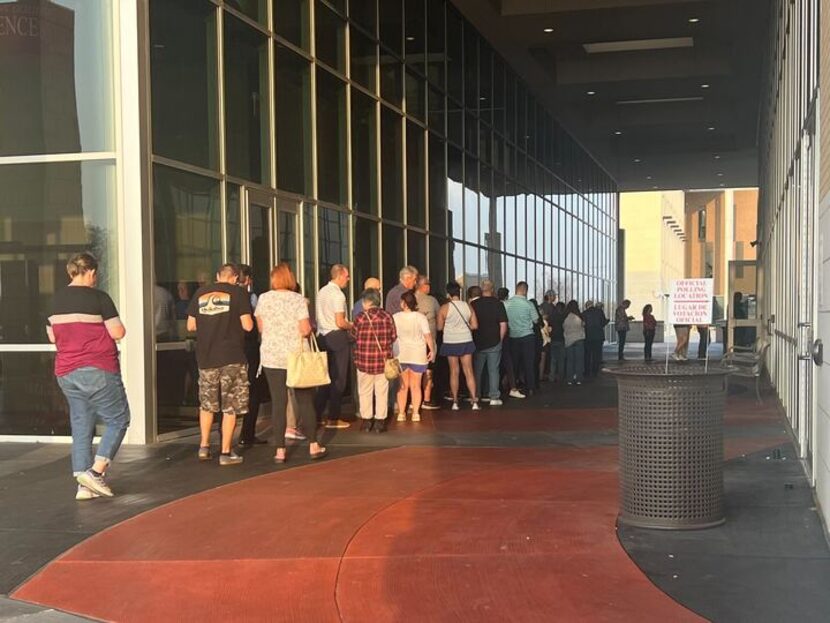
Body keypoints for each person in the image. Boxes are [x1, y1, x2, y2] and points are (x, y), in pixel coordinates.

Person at [48, 252, 131, 500]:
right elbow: (118, 332)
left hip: (66, 372)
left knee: (82, 425)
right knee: (119, 419)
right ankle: (96, 472)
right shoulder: (99, 298)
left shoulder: (54, 301)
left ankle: (83, 486)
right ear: (91, 272)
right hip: (98, 368)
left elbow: (53, 337)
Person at [255, 263, 326, 463]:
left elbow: (261, 327)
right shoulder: (297, 300)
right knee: (304, 400)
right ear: (290, 279)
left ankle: (280, 450)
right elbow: (304, 329)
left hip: (271, 356)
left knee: (278, 403)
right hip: (296, 356)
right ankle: (313, 445)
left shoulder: (263, 298)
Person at [187, 263, 253, 466]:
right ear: (234, 278)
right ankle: (225, 452)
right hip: (231, 356)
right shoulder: (239, 293)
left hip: (206, 357)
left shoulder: (201, 292)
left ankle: (204, 447)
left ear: (217, 276)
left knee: (207, 405)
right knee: (230, 406)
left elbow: (190, 326)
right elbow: (248, 326)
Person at [350, 288, 396, 432]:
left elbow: (353, 336)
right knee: (381, 391)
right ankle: (380, 422)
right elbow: (393, 336)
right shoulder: (387, 316)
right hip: (382, 361)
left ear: (366, 302)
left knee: (364, 391)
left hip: (364, 361)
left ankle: (366, 420)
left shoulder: (360, 318)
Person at [314, 264, 353, 429]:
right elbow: (340, 321)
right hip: (337, 336)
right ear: (339, 276)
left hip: (322, 336)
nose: (349, 279)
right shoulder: (338, 295)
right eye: (347, 276)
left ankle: (317, 415)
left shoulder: (322, 291)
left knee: (325, 377)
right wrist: (352, 325)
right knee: (339, 378)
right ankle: (333, 417)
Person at [238, 264, 269, 448]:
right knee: (253, 391)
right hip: (249, 348)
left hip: (229, 349)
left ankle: (224, 437)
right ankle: (247, 434)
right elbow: (256, 324)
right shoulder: (250, 297)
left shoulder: (224, 298)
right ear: (248, 280)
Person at [394, 290, 435, 422]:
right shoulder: (420, 317)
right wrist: (432, 350)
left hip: (401, 354)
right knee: (416, 386)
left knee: (402, 385)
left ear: (403, 303)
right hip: (418, 354)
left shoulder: (395, 317)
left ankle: (401, 413)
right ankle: (416, 413)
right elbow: (427, 335)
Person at [437, 282, 479, 411]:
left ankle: (455, 402)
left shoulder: (444, 308)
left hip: (451, 341)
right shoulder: (468, 306)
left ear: (448, 294)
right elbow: (475, 326)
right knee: (469, 372)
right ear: (459, 292)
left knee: (454, 372)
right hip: (466, 340)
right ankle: (474, 401)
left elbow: (439, 327)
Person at [471, 280, 509, 406]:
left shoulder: (474, 304)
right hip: (494, 341)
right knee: (493, 370)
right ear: (492, 289)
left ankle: (476, 395)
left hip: (478, 342)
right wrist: (500, 339)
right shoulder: (498, 304)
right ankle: (493, 396)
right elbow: (503, 324)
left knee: (477, 370)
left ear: (482, 289)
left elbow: (471, 324)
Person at [504, 282, 539, 397]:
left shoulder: (507, 304)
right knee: (529, 363)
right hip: (528, 336)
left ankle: (513, 386)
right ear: (525, 291)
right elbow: (536, 320)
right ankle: (531, 388)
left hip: (513, 336)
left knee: (514, 363)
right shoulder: (529, 304)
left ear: (516, 289)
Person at [415, 275, 441, 410]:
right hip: (427, 341)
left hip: (414, 342)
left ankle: (414, 400)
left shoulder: (411, 299)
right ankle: (426, 398)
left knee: (415, 371)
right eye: (427, 284)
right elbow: (439, 318)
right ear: (421, 285)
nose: (429, 286)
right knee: (428, 371)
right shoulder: (431, 301)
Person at [583, 300, 609, 378]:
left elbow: (583, 325)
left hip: (588, 337)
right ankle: (595, 371)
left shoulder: (584, 313)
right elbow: (603, 323)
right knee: (596, 355)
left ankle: (587, 371)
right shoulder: (599, 312)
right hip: (598, 337)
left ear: (586, 306)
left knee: (587, 355)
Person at [563, 300, 586, 385]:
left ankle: (570, 379)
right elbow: (583, 325)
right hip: (579, 339)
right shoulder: (580, 316)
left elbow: (563, 327)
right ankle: (579, 379)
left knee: (570, 361)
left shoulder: (565, 316)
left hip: (569, 341)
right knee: (579, 360)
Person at [549, 301, 567, 382]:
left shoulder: (552, 316)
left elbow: (549, 327)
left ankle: (552, 377)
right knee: (561, 360)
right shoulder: (564, 317)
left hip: (553, 339)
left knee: (553, 360)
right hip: (562, 339)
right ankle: (561, 376)